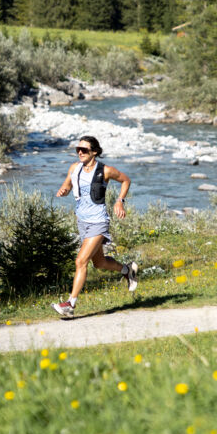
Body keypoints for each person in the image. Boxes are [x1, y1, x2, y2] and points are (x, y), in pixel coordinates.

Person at [51, 135, 138, 319]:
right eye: (78, 150)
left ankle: (70, 304)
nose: (80, 153)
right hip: (82, 221)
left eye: (84, 150)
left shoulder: (106, 170)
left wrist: (119, 201)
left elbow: (126, 180)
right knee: (99, 263)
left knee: (80, 262)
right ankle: (127, 270)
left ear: (95, 152)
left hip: (98, 221)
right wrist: (63, 191)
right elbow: (66, 186)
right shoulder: (75, 168)